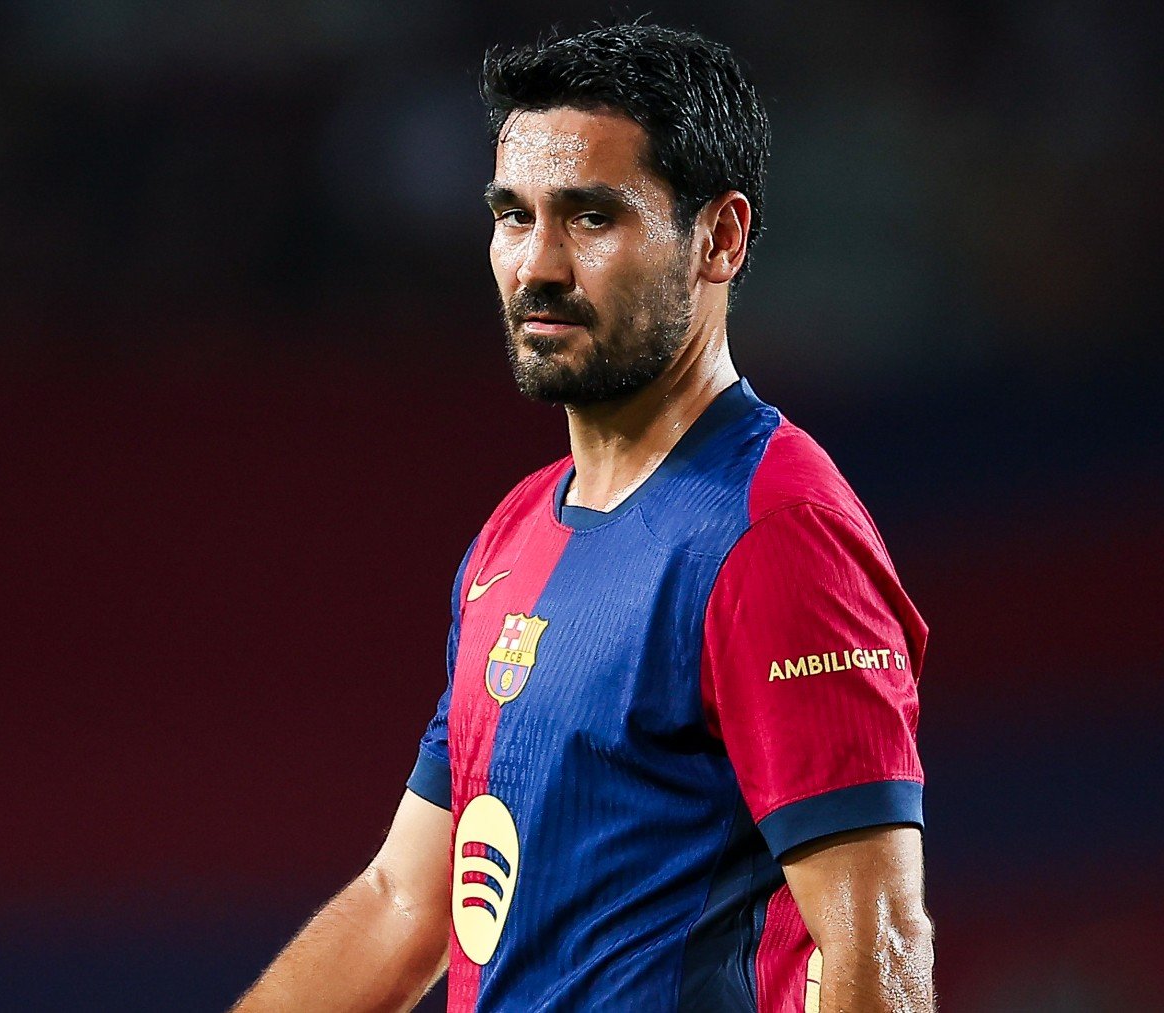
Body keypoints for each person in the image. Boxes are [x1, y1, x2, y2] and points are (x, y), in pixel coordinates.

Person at [235, 23, 935, 1012]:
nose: (538, 264)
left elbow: (879, 947)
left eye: (592, 217)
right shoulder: (514, 536)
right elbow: (406, 901)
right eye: (513, 215)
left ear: (721, 238)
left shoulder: (773, 534)